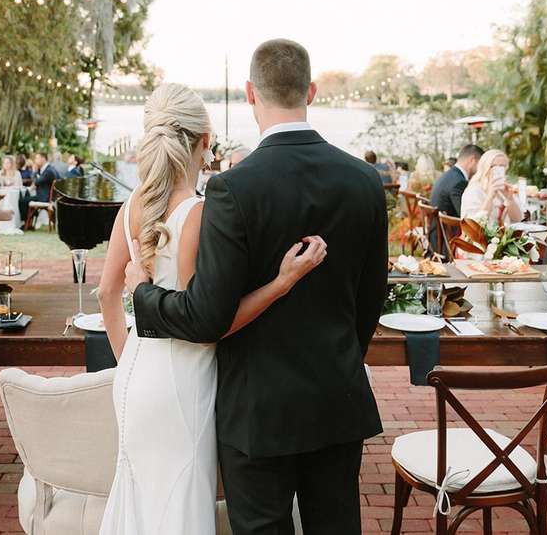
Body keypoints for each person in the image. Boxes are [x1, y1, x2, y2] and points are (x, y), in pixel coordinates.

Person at [123, 39, 388, 534]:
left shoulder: (233, 187)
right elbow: (372, 298)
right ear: (311, 90)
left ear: (250, 93)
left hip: (256, 409)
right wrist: (341, 358)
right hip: (337, 396)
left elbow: (206, 316)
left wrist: (142, 293)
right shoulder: (364, 180)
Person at [99, 82, 326, 535]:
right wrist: (281, 283)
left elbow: (107, 294)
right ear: (205, 143)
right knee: (181, 504)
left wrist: (130, 360)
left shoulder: (130, 206)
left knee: (141, 501)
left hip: (134, 377)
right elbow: (203, 324)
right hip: (183, 383)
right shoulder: (197, 213)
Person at [460, 149, 524, 224]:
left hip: (503, 234)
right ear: (485, 168)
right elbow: (474, 225)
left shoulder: (505, 190)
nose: (499, 170)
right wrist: (490, 197)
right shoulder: (473, 191)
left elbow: (517, 219)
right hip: (480, 235)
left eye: (502, 166)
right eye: (494, 166)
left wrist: (510, 199)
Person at [18, 152, 62, 226]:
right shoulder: (47, 169)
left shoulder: (49, 171)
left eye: (37, 158)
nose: (35, 160)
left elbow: (36, 181)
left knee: (22, 201)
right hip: (45, 196)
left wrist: (34, 171)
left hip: (45, 198)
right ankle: (29, 221)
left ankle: (26, 222)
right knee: (26, 197)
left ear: (43, 159)